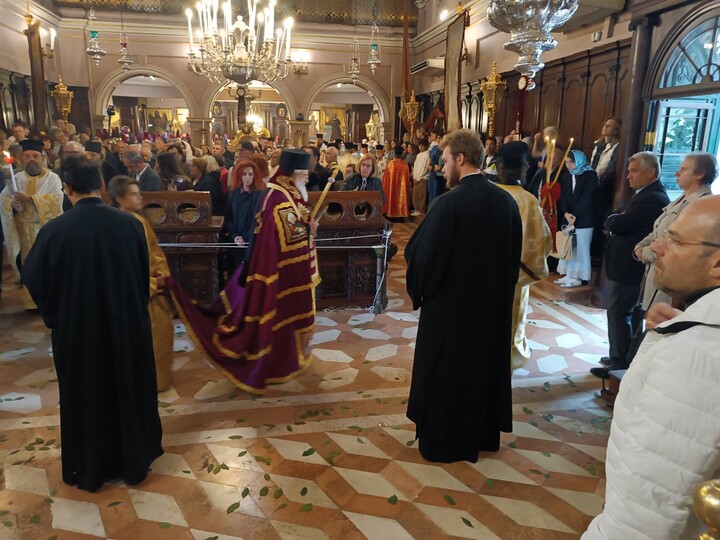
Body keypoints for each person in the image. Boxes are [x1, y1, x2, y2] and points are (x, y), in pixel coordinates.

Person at [21, 156, 163, 492]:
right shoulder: (131, 224)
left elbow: (34, 277)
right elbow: (142, 275)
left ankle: (90, 466)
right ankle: (134, 459)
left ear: (67, 188)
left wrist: (56, 314)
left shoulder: (54, 230)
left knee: (86, 395)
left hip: (78, 331)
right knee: (127, 387)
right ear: (100, 185)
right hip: (126, 325)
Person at [583, 195, 720, 540]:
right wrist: (682, 325)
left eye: (675, 240)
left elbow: (649, 505)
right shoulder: (696, 337)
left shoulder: (694, 356)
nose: (657, 247)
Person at [404, 129, 522, 463]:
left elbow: (423, 258)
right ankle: (481, 436)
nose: (441, 168)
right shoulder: (506, 202)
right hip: (490, 312)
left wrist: (422, 289)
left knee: (447, 374)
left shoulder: (447, 204)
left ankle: (444, 442)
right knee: (481, 370)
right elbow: (513, 261)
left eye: (444, 161)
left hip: (450, 315)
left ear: (460, 158)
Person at [168, 149, 321, 394]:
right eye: (303, 172)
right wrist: (308, 231)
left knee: (284, 319)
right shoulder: (278, 197)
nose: (306, 176)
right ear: (292, 172)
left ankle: (287, 357)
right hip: (276, 272)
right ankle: (271, 364)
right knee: (274, 318)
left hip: (280, 270)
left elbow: (297, 219)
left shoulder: (290, 192)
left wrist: (306, 224)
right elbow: (286, 236)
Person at [591, 152, 669, 376]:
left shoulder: (654, 198)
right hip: (626, 264)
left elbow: (620, 222)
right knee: (627, 313)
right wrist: (616, 218)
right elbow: (614, 216)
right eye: (628, 171)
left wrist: (616, 219)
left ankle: (619, 363)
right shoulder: (642, 194)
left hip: (631, 267)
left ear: (651, 172)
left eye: (634, 171)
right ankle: (623, 355)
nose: (628, 176)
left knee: (619, 312)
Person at [108, 176, 174, 392]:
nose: (140, 198)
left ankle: (157, 381)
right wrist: (152, 283)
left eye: (139, 193)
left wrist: (161, 274)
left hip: (152, 292)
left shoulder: (141, 222)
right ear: (119, 198)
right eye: (133, 194)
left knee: (162, 334)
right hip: (134, 296)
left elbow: (154, 253)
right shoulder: (115, 226)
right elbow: (122, 268)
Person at [495, 142, 553, 369]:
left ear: (498, 166)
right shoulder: (528, 201)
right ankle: (509, 358)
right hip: (514, 276)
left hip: (482, 274)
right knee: (511, 318)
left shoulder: (487, 194)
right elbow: (541, 243)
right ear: (524, 168)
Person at [633, 152, 716, 311]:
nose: (676, 173)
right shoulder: (680, 200)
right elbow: (657, 232)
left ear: (700, 174)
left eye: (683, 169)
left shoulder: (701, 206)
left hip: (673, 282)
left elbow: (676, 244)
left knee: (662, 321)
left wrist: (645, 253)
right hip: (655, 273)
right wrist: (639, 247)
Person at [0, 139, 64, 309]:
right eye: (27, 156)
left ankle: (50, 300)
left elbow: (57, 200)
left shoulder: (53, 178)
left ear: (42, 157)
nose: (31, 160)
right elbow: (4, 199)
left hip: (45, 229)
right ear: (21, 158)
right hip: (24, 231)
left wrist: (30, 199)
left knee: (47, 264)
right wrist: (12, 204)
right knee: (29, 265)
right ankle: (32, 302)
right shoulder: (16, 178)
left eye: (35, 156)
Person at [555, 150, 598, 287]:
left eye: (571, 162)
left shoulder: (590, 175)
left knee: (581, 248)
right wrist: (566, 213)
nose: (568, 165)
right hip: (569, 217)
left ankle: (578, 276)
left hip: (584, 218)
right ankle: (569, 273)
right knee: (570, 247)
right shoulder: (567, 175)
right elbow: (563, 196)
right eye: (566, 162)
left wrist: (575, 215)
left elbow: (587, 197)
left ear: (579, 161)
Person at [223, 159, 265, 274]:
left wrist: (245, 238)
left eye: (250, 174)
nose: (247, 178)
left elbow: (257, 220)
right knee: (236, 272)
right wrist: (235, 236)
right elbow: (229, 218)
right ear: (239, 176)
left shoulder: (259, 195)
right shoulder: (234, 194)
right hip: (235, 241)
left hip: (251, 241)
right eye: (244, 174)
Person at [382, 145, 411, 218]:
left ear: (394, 152)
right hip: (401, 188)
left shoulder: (390, 163)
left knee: (391, 197)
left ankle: (390, 212)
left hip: (391, 187)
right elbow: (407, 178)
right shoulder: (405, 164)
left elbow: (386, 179)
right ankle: (401, 213)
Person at [411, 138, 430, 216]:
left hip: (423, 178)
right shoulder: (418, 155)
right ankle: (416, 209)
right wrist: (414, 177)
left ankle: (421, 210)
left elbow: (424, 168)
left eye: (422, 146)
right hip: (416, 178)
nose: (420, 148)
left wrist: (419, 178)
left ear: (425, 146)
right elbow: (416, 166)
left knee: (421, 195)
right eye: (419, 146)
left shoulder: (427, 154)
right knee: (415, 194)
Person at [427, 128, 445, 204]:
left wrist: (440, 167)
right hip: (432, 173)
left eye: (439, 138)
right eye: (437, 137)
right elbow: (431, 158)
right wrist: (429, 165)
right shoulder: (434, 147)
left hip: (440, 173)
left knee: (437, 193)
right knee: (431, 191)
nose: (438, 139)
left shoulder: (445, 148)